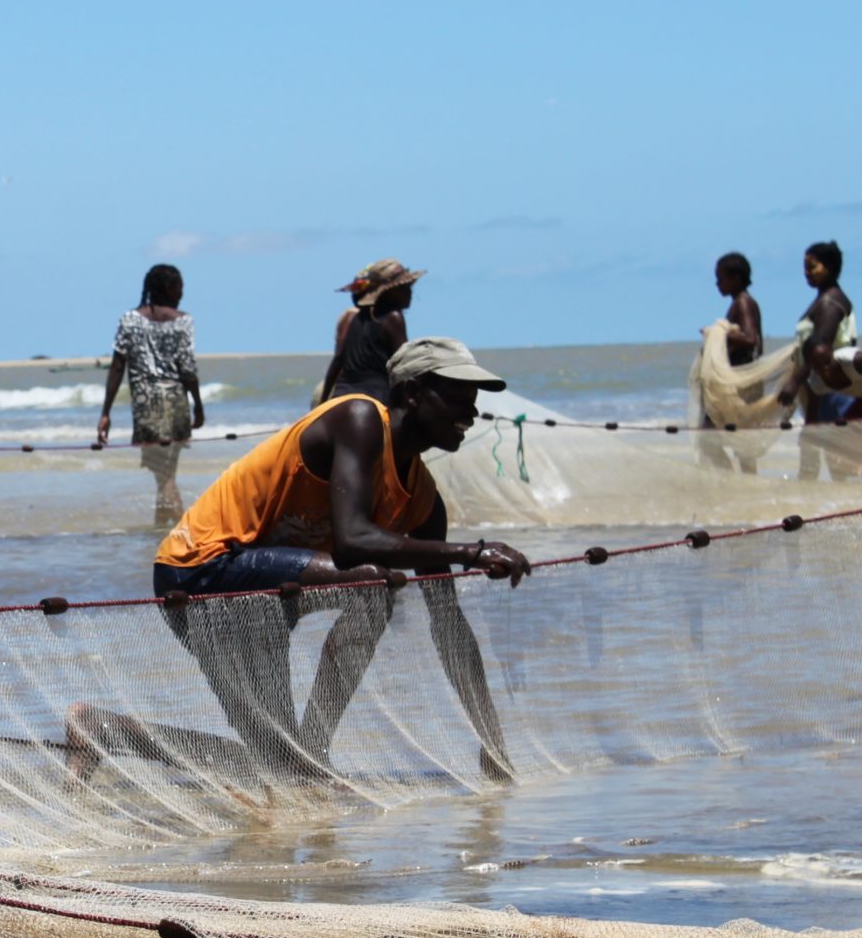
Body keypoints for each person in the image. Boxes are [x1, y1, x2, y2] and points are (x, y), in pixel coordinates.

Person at [67, 337, 530, 786]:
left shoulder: (425, 504)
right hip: (200, 570)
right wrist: (473, 552)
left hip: (268, 589)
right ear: (412, 392)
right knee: (373, 585)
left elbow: (450, 628)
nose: (470, 413)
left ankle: (101, 730)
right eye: (457, 398)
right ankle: (316, 749)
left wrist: (490, 743)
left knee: (279, 765)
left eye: (473, 402)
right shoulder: (359, 418)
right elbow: (353, 541)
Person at [95, 263, 205, 526]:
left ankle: (176, 537)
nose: (181, 294)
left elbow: (117, 367)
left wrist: (106, 413)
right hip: (176, 402)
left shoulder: (129, 320)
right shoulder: (183, 321)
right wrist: (198, 405)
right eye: (179, 288)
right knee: (166, 476)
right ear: (168, 287)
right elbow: (187, 369)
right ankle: (170, 538)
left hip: (147, 407)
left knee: (164, 477)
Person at [776, 240, 862, 424]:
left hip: (835, 387)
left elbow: (819, 347)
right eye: (805, 268)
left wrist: (794, 382)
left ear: (829, 267)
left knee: (836, 440)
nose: (806, 272)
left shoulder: (830, 302)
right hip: (822, 385)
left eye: (812, 267)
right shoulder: (824, 299)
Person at [322, 259, 421, 402]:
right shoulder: (394, 317)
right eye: (403, 288)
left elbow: (338, 361)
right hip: (376, 394)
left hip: (341, 393)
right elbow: (404, 363)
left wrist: (323, 401)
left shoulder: (356, 318)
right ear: (388, 292)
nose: (409, 292)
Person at [714, 252, 762, 366]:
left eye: (721, 279)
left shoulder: (743, 302)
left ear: (736, 279)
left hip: (744, 374)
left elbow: (750, 339)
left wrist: (716, 334)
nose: (717, 283)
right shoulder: (738, 302)